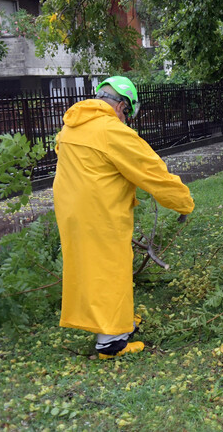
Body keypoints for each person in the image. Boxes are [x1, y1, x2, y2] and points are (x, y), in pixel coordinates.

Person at [53, 76, 194, 359]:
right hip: (99, 214)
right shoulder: (111, 131)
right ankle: (111, 342)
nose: (126, 119)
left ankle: (120, 322)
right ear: (120, 107)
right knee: (109, 269)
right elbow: (152, 171)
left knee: (93, 270)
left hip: (72, 212)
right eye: (128, 113)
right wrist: (183, 202)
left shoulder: (72, 126)